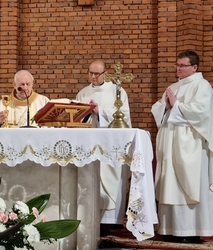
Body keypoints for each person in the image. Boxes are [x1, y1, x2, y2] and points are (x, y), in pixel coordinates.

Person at [151, 50, 213, 243]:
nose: (178, 69)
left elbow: (201, 115)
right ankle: (169, 229)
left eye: (182, 65)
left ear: (194, 67)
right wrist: (166, 106)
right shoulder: (173, 86)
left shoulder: (202, 86)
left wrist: (176, 105)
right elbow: (159, 110)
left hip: (191, 146)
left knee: (188, 188)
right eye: (177, 65)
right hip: (170, 143)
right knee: (170, 185)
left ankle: (190, 230)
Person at [76, 60, 131, 236]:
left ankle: (110, 221)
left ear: (105, 74)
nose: (93, 76)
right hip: (89, 145)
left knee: (110, 179)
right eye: (90, 73)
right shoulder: (83, 93)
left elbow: (124, 117)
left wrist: (99, 110)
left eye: (97, 73)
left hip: (110, 144)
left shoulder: (117, 91)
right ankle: (90, 217)